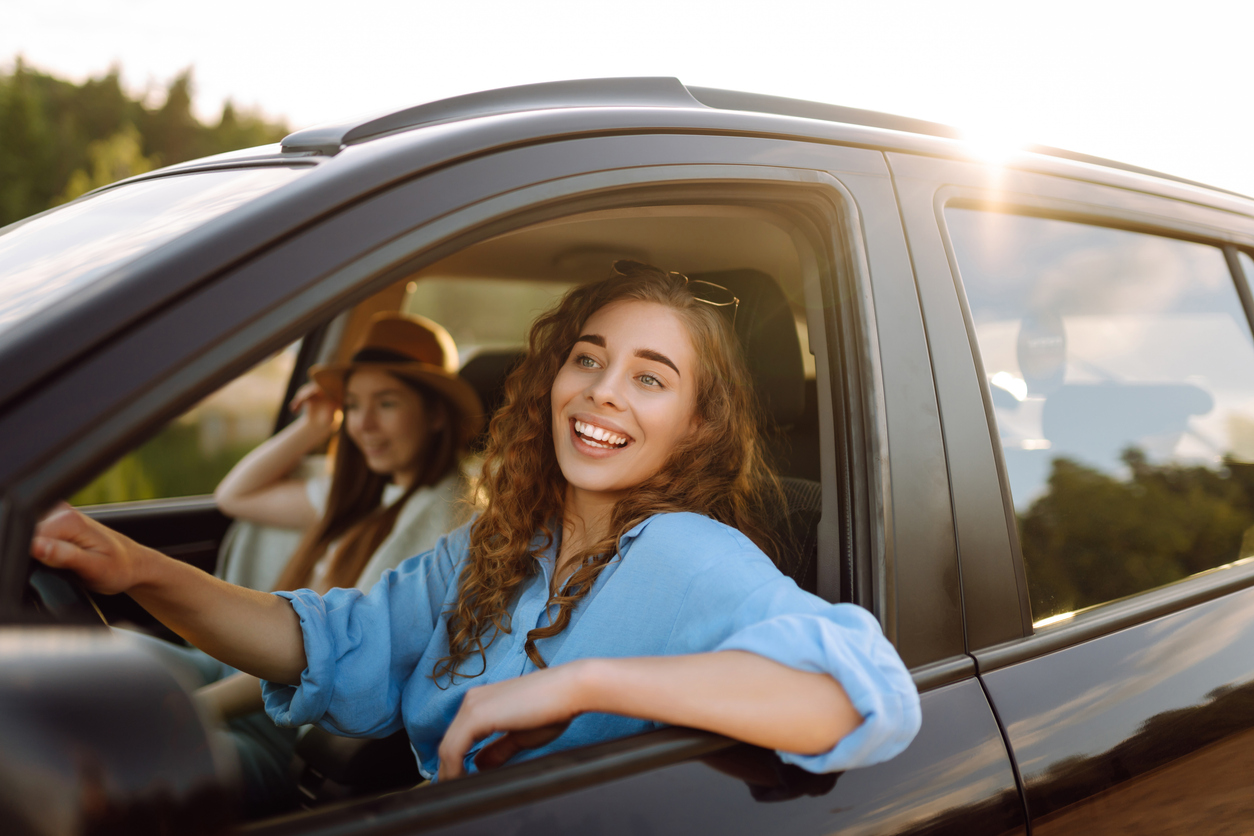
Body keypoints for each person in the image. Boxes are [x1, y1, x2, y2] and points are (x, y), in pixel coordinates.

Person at [30, 261, 921, 789]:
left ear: (698, 427)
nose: (604, 389)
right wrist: (138, 570)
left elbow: (868, 695)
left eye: (650, 378)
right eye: (588, 359)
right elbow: (331, 642)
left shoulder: (686, 553)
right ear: (551, 385)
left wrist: (581, 685)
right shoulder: (505, 544)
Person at [167, 311, 483, 812]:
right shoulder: (363, 495)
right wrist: (315, 426)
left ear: (436, 414)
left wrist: (189, 713)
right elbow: (235, 495)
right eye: (353, 405)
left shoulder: (440, 516)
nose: (364, 424)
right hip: (250, 680)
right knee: (107, 662)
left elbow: (334, 648)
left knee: (143, 750)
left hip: (292, 727)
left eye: (386, 403)